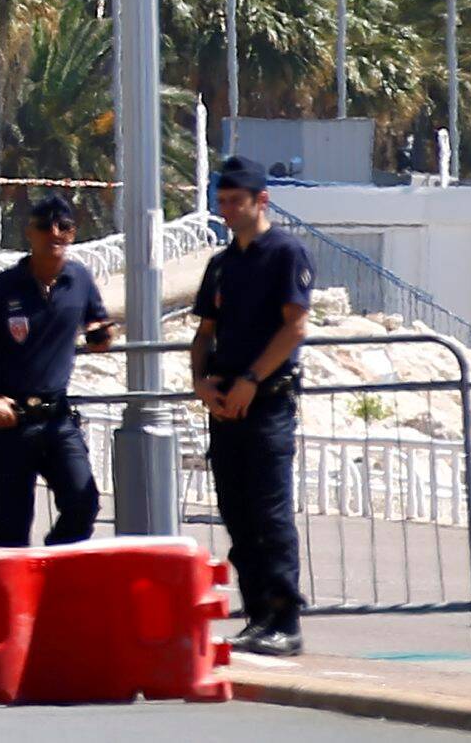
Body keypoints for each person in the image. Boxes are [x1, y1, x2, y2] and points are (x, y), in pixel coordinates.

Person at [191, 156, 313, 658]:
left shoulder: (284, 253)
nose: (226, 210)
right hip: (225, 407)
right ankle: (257, 615)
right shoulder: (222, 264)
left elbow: (295, 327)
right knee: (237, 516)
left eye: (234, 201)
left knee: (270, 515)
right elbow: (203, 332)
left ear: (261, 200)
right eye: (221, 201)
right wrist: (201, 382)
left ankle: (285, 619)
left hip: (265, 404)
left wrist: (250, 380)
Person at [0, 195, 114, 547]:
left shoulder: (80, 279)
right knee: (10, 530)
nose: (54, 233)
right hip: (7, 423)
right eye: (45, 226)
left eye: (64, 227)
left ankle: (50, 576)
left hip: (57, 419)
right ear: (30, 232)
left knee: (83, 503)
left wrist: (102, 335)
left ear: (73, 234)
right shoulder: (0, 288)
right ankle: (19, 597)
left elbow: (97, 323)